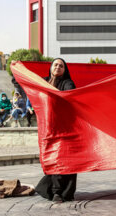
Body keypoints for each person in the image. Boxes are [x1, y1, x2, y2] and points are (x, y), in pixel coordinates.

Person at [35, 58, 77, 203]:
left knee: (63, 159)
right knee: (51, 159)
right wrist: (17, 69)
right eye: (55, 65)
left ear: (65, 70)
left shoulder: (67, 83)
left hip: (64, 128)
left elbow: (69, 96)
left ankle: (59, 192)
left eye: (61, 66)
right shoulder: (43, 81)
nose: (58, 67)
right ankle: (52, 189)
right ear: (51, 67)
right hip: (47, 128)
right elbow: (22, 83)